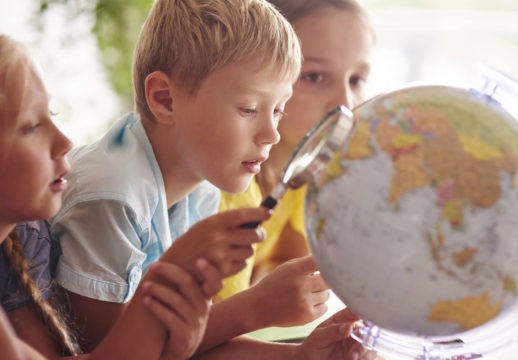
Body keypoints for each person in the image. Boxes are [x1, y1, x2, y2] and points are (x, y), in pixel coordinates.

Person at [47, 0, 361, 356]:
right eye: (249, 109)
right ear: (165, 100)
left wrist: (299, 355)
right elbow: (114, 348)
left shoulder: (201, 187)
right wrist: (253, 307)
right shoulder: (113, 198)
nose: (272, 133)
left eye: (278, 109)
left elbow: (186, 343)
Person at [0, 33, 228, 359]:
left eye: (52, 115)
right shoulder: (113, 194)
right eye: (31, 126)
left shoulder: (23, 235)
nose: (65, 141)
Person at [218, 0, 376, 299]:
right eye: (314, 77)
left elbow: (288, 261)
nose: (345, 103)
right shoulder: (227, 191)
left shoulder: (307, 169)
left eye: (356, 80)